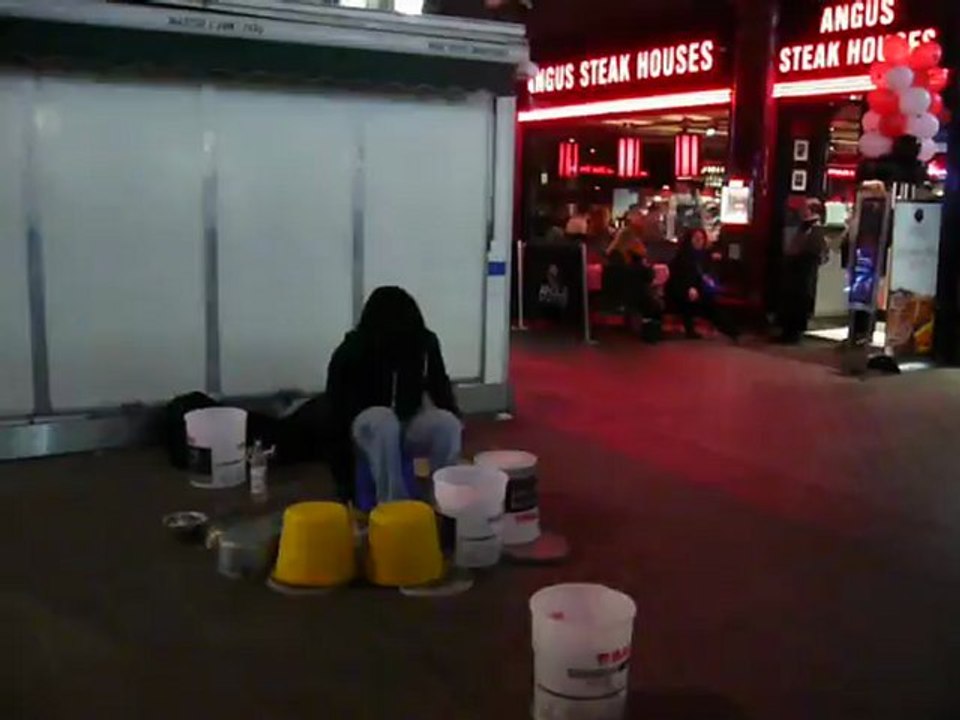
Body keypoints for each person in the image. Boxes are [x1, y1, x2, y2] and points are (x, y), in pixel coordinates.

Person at [326, 286, 462, 505]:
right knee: (383, 419)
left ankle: (443, 498)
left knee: (447, 423)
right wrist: (344, 482)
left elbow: (440, 387)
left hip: (407, 423)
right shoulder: (351, 350)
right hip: (366, 430)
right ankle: (394, 504)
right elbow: (335, 414)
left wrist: (455, 415)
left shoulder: (424, 344)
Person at [667, 228, 738, 340]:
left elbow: (705, 272)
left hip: (698, 288)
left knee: (711, 303)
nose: (698, 241)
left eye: (701, 239)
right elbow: (679, 276)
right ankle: (690, 329)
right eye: (696, 238)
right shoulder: (683, 256)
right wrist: (689, 287)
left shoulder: (704, 255)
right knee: (690, 300)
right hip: (682, 288)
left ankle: (731, 330)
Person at [777, 199, 827, 343]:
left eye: (805, 208)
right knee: (791, 299)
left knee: (799, 300)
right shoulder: (804, 226)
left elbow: (815, 251)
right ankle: (788, 330)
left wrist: (796, 256)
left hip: (803, 272)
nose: (801, 210)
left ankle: (793, 333)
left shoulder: (815, 228)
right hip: (797, 270)